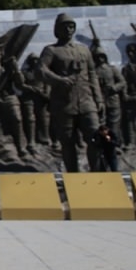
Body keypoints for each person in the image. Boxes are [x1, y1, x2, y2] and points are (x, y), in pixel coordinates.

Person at [39, 14, 104, 172]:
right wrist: (59, 80)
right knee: (68, 143)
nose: (69, 29)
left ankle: (97, 174)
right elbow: (40, 70)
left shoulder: (84, 50)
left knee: (96, 138)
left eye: (71, 26)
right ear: (57, 30)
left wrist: (99, 99)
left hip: (87, 101)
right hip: (64, 103)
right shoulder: (51, 50)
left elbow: (92, 75)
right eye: (65, 26)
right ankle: (73, 178)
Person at [92, 48, 126, 148]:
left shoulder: (112, 69)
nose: (100, 59)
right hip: (100, 100)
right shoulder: (94, 72)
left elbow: (122, 82)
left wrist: (114, 88)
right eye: (98, 57)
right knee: (101, 123)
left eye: (102, 56)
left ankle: (115, 144)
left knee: (114, 123)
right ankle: (103, 143)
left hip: (113, 98)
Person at [19, 53, 52, 148]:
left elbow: (48, 84)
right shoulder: (25, 73)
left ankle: (45, 138)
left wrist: (46, 93)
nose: (35, 61)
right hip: (28, 98)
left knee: (44, 117)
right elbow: (21, 85)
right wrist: (33, 89)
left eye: (37, 59)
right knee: (30, 118)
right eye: (33, 59)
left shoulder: (42, 73)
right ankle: (31, 141)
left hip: (41, 98)